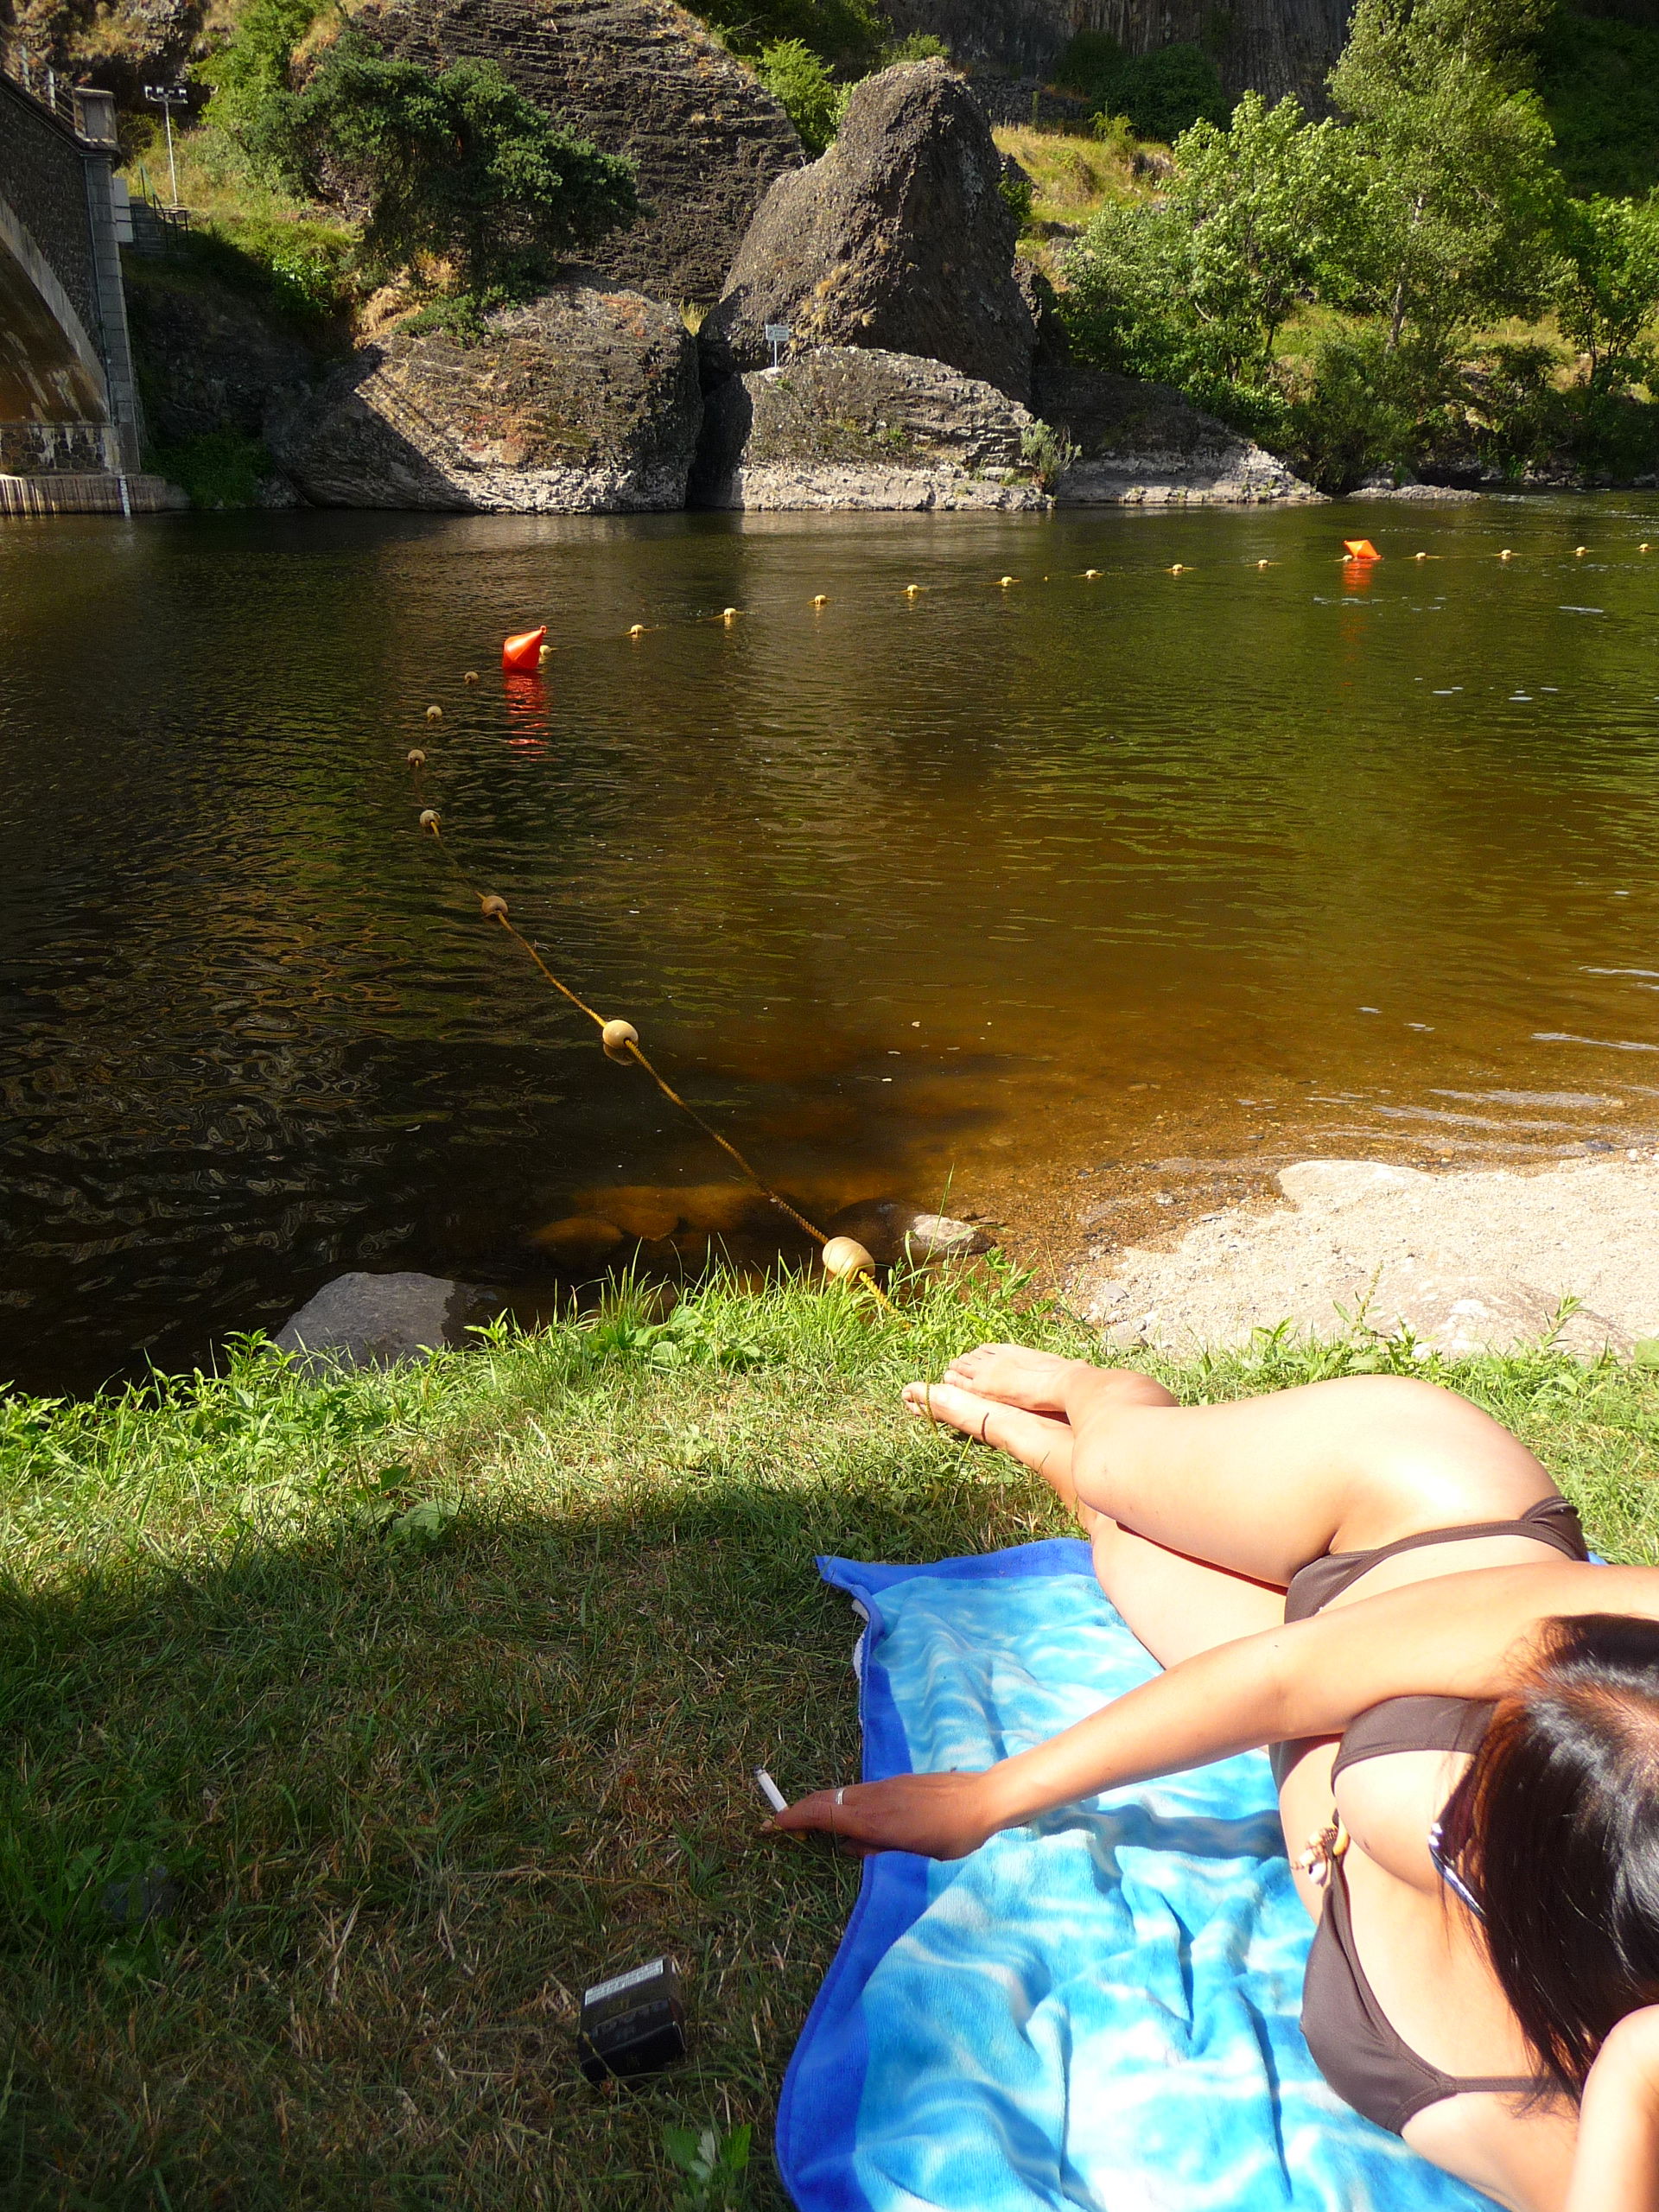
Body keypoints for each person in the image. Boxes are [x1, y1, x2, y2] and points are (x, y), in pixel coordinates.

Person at [772, 1345, 1659, 2212]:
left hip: (1317, 1685)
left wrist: (1633, 2073)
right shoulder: (1612, 1656)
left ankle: (1050, 1453)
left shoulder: (1601, 2128)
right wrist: (989, 1797)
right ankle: (1094, 1388)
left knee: (1119, 1548)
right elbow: (1287, 1677)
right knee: (1119, 1463)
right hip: (1409, 1508)